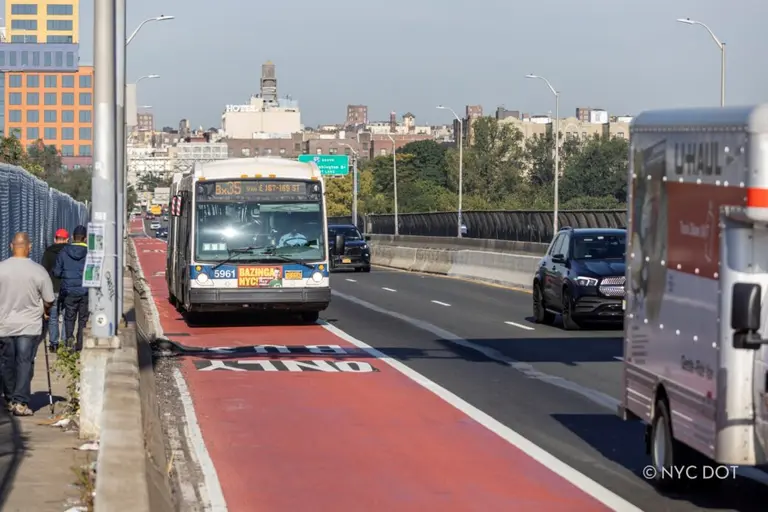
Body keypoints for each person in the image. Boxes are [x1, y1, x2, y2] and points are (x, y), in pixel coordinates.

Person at [0, 232, 55, 416]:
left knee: (6, 362)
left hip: (4, 324)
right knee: (24, 362)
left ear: (11, 246)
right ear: (29, 247)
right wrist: (45, 311)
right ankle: (21, 402)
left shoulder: (1, 269)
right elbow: (49, 299)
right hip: (29, 325)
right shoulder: (38, 270)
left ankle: (8, 398)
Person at [54, 225, 89, 350]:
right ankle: (80, 345)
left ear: (73, 237)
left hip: (68, 290)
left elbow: (57, 272)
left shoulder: (63, 252)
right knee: (83, 319)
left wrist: (67, 275)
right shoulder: (90, 253)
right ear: (85, 239)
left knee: (69, 317)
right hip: (85, 291)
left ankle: (69, 343)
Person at [41, 228, 69, 352]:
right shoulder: (69, 252)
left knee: (53, 317)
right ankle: (64, 342)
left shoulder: (48, 252)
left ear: (55, 239)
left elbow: (43, 271)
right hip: (66, 288)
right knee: (66, 316)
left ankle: (54, 343)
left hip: (51, 288)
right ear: (68, 239)